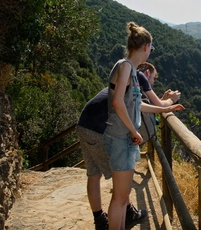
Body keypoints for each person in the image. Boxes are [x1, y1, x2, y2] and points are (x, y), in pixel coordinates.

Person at [76, 65, 182, 227]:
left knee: (93, 174)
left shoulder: (124, 80)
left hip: (84, 124)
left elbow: (139, 105)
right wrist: (170, 101)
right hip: (99, 130)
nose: (151, 84)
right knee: (122, 175)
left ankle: (100, 220)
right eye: (152, 79)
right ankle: (126, 213)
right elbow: (150, 105)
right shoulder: (138, 76)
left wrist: (164, 106)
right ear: (147, 73)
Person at [104, 22, 185, 230]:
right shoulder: (125, 67)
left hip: (125, 139)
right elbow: (117, 102)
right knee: (120, 199)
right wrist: (133, 131)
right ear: (146, 46)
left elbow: (138, 105)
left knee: (122, 198)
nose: (151, 51)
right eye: (152, 48)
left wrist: (166, 109)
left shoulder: (129, 69)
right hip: (122, 138)